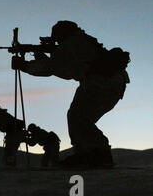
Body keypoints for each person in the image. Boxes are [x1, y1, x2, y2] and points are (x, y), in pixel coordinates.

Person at [12, 21, 130, 168]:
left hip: (100, 82)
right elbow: (65, 71)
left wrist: (25, 66)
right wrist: (42, 57)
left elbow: (50, 68)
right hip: (111, 82)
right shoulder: (80, 41)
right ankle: (94, 153)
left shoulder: (71, 44)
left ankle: (94, 154)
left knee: (77, 117)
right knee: (81, 118)